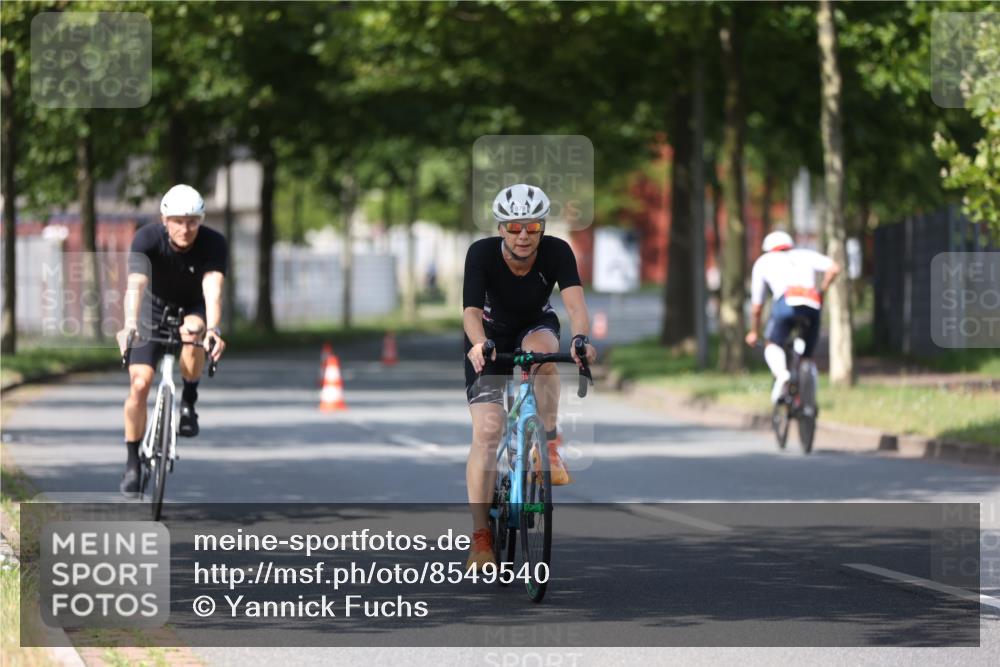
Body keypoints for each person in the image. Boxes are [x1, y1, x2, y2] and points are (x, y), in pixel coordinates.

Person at [462, 184, 597, 569]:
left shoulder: (557, 251)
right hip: (488, 337)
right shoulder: (481, 253)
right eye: (514, 227)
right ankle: (481, 536)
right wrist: (479, 344)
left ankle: (548, 443)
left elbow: (576, 306)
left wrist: (581, 340)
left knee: (542, 356)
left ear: (542, 228)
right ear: (501, 228)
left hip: (535, 325)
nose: (523, 235)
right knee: (487, 433)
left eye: (533, 226)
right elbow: (471, 311)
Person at [115, 184, 228, 496]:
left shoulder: (213, 243)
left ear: (201, 221)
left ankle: (189, 400)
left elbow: (213, 290)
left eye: (192, 221)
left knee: (193, 331)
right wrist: (129, 324)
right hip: (151, 310)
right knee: (139, 385)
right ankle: (132, 463)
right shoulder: (147, 239)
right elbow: (136, 285)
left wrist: (213, 329)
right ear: (165, 220)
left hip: (193, 308)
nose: (185, 229)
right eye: (178, 221)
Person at [745, 231, 841, 405]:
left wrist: (754, 331)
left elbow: (757, 306)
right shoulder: (805, 254)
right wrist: (822, 291)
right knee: (807, 357)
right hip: (812, 305)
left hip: (786, 304)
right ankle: (809, 399)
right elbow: (834, 268)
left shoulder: (763, 262)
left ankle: (782, 375)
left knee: (772, 343)